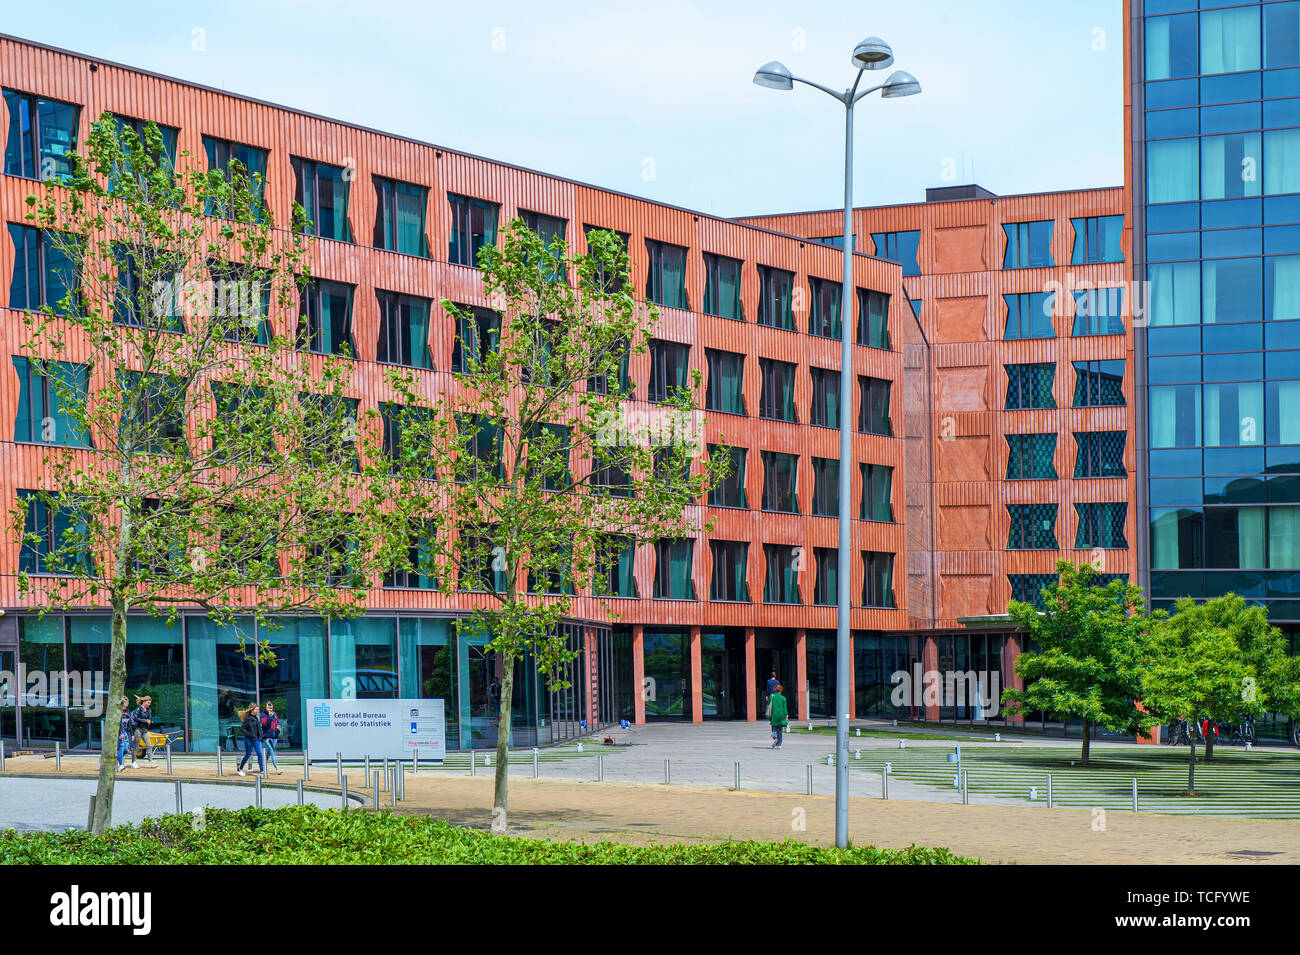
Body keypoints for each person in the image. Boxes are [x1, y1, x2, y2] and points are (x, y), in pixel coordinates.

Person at [236, 703, 265, 776]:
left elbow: (259, 728)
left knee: (260, 754)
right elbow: (242, 729)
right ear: (252, 710)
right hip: (248, 740)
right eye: (256, 709)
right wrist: (249, 734)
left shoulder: (256, 718)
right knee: (248, 755)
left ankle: (262, 770)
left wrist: (261, 736)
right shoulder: (248, 719)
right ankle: (240, 768)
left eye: (258, 709)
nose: (258, 711)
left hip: (256, 739)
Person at [129, 695, 154, 768]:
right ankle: (133, 762)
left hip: (145, 730)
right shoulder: (138, 709)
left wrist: (149, 721)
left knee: (149, 745)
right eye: (148, 703)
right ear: (144, 702)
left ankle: (150, 761)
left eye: (150, 703)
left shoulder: (149, 710)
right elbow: (135, 718)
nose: (149, 704)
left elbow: (150, 718)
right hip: (138, 729)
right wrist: (145, 720)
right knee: (136, 746)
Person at [260, 701, 282, 774]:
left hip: (274, 736)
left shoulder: (275, 714)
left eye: (271, 706)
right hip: (267, 737)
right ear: (265, 707)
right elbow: (265, 724)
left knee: (269, 752)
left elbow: (278, 722)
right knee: (272, 752)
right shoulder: (262, 715)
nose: (270, 708)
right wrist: (270, 716)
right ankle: (277, 768)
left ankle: (263, 766)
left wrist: (278, 728)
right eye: (268, 707)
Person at [115, 697, 134, 772]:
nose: (127, 703)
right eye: (125, 701)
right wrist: (121, 733)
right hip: (120, 732)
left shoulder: (128, 711)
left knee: (126, 749)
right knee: (121, 747)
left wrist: (132, 734)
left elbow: (130, 724)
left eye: (128, 701)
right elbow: (117, 723)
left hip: (125, 732)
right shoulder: (118, 711)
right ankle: (121, 764)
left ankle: (116, 759)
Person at [769, 682, 788, 749]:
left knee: (774, 729)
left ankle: (775, 738)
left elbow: (769, 705)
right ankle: (779, 744)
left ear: (775, 690)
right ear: (781, 690)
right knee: (780, 730)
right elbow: (785, 708)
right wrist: (786, 716)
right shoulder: (783, 698)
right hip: (781, 716)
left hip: (773, 715)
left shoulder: (771, 696)